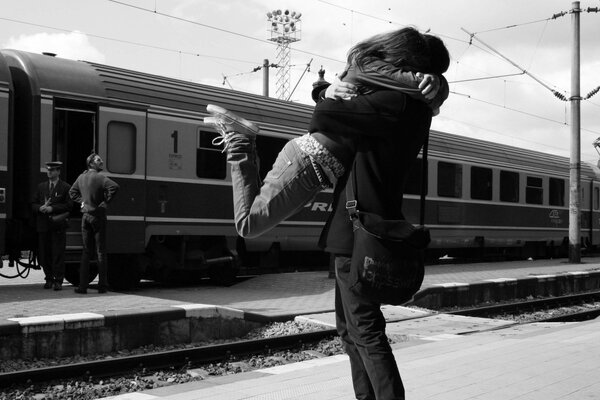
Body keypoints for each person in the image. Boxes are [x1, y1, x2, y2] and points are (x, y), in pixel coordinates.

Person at [204, 27, 449, 241]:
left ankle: (242, 143)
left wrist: (438, 83)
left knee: (252, 222)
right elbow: (424, 93)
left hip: (313, 166)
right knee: (248, 226)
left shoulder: (376, 73)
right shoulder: (369, 66)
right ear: (408, 58)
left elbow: (429, 99)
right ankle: (240, 142)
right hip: (307, 161)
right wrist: (436, 82)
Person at [320, 36, 451, 400]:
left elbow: (325, 115)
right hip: (361, 227)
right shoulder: (409, 103)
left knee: (365, 332)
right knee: (351, 332)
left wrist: (332, 90)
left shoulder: (396, 101)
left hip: (358, 231)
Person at [69, 153, 119, 294]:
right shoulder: (100, 178)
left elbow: (72, 192)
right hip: (98, 216)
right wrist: (106, 201)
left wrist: (82, 201)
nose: (101, 161)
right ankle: (102, 286)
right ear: (91, 163)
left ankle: (82, 287)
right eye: (98, 160)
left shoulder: (81, 177)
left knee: (86, 252)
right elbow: (115, 187)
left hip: (86, 216)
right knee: (101, 252)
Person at [31, 161, 73, 290]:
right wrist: (40, 208)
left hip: (57, 225)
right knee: (44, 255)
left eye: (52, 170)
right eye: (48, 170)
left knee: (57, 254)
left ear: (58, 172)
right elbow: (33, 203)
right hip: (43, 225)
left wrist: (52, 209)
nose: (49, 172)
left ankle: (58, 281)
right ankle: (48, 278)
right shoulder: (41, 186)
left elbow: (69, 205)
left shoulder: (65, 187)